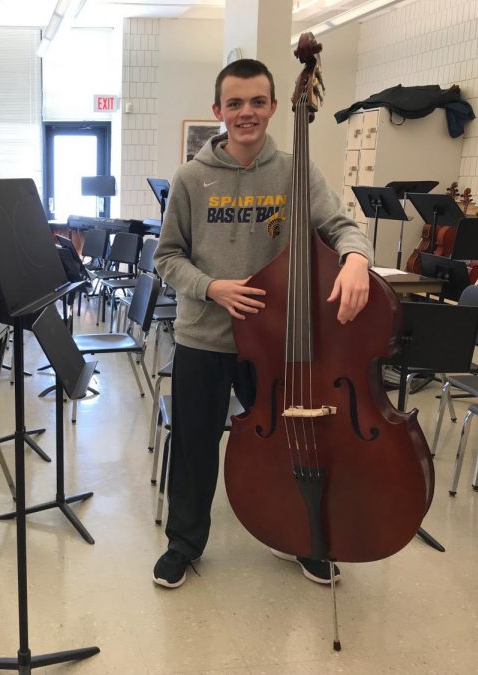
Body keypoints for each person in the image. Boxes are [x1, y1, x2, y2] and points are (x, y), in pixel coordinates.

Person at [152, 59, 374, 589]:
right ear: (218, 112)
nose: (246, 112)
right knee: (194, 445)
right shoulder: (190, 178)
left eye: (257, 102)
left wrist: (356, 259)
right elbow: (167, 258)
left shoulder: (295, 172)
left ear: (274, 107)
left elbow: (342, 225)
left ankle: (299, 535)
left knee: (290, 441)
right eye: (235, 103)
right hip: (203, 338)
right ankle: (184, 542)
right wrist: (212, 286)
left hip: (277, 343)